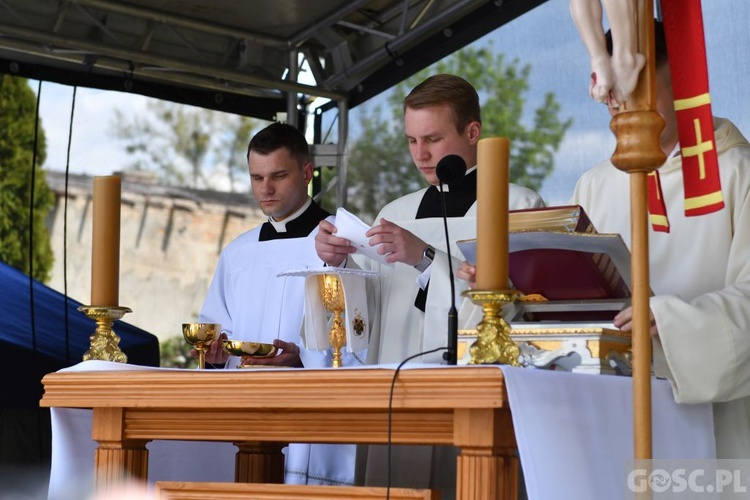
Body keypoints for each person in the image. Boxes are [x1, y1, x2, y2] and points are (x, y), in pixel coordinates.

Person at [315, 74, 544, 498]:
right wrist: (341, 260)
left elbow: (513, 309)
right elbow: (371, 314)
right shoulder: (395, 211)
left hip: (472, 399)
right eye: (411, 141)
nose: (420, 155)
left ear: (472, 132)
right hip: (393, 394)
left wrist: (425, 257)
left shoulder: (517, 205)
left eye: (433, 139)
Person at [570, 22, 750, 459]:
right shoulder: (594, 185)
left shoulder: (736, 171)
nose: (616, 104)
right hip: (615, 413)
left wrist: (670, 323)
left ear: (681, 85)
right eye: (609, 90)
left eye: (631, 89)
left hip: (717, 421)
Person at [198, 122, 359, 485]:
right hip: (247, 415)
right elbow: (215, 327)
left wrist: (303, 358)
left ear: (306, 173)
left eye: (278, 176)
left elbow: (364, 332)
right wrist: (214, 355)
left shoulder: (343, 241)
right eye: (257, 178)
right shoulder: (239, 252)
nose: (265, 189)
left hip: (311, 413)